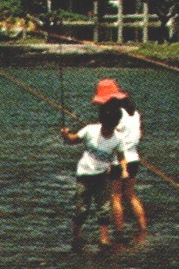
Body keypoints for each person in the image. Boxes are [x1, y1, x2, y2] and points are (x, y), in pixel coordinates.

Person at [61, 89, 127, 250]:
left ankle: (104, 239)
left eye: (111, 128)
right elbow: (73, 140)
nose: (108, 131)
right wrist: (66, 135)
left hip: (102, 177)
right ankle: (76, 236)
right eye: (106, 127)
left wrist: (124, 169)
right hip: (84, 175)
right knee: (82, 210)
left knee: (104, 209)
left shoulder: (118, 139)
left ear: (115, 125)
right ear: (102, 122)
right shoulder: (90, 130)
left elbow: (121, 157)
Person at [96, 80, 149, 241]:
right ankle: (143, 229)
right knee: (131, 195)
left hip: (118, 161)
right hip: (134, 158)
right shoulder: (134, 113)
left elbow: (109, 137)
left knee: (116, 196)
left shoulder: (115, 114)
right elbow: (139, 135)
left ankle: (119, 233)